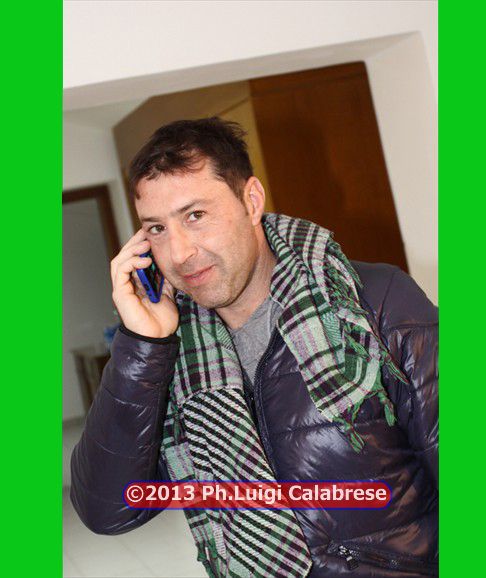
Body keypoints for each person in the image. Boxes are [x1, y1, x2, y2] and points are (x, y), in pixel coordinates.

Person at [70, 117, 438, 578]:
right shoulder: (170, 356)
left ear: (251, 200)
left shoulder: (374, 302)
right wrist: (143, 343)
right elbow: (107, 510)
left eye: (195, 215)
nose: (179, 253)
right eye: (157, 229)